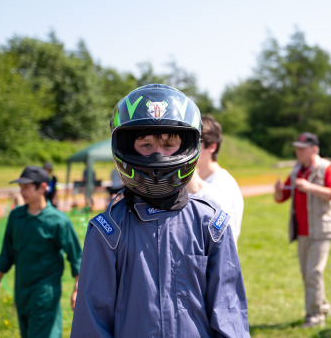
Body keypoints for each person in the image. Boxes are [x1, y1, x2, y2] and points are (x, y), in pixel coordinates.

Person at [71, 84, 249, 337]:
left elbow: (229, 316)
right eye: (146, 145)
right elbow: (92, 321)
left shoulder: (211, 225)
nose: (158, 157)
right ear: (127, 147)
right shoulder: (107, 231)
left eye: (169, 145)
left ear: (188, 145)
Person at [0, 165, 82, 338]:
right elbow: (7, 252)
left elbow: (76, 256)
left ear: (43, 188)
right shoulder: (16, 217)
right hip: (21, 290)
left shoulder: (58, 221)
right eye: (21, 187)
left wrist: (77, 289)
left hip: (45, 293)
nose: (22, 192)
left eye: (27, 187)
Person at [274, 132, 331, 328]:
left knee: (313, 273)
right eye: (297, 148)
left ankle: (315, 316)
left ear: (314, 149)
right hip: (302, 231)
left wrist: (310, 187)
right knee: (308, 274)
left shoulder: (326, 168)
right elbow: (282, 198)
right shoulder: (296, 171)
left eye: (302, 148)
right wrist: (278, 190)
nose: (298, 152)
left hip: (321, 230)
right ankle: (323, 306)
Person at [194, 115, 244, 244]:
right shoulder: (196, 181)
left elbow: (227, 242)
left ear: (212, 147)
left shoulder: (223, 185)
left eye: (195, 143)